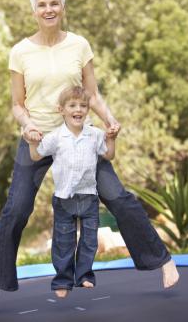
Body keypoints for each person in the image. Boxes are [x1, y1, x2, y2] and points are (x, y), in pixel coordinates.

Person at [0, 0, 179, 311]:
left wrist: (110, 119)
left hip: (79, 137)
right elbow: (18, 104)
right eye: (42, 5)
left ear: (62, 8)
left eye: (54, 3)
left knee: (117, 196)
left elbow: (93, 95)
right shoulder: (20, 51)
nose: (49, 10)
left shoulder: (78, 45)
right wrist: (27, 125)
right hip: (39, 137)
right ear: (34, 10)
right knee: (15, 210)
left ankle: (162, 260)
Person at [29, 86, 116, 298]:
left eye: (83, 105)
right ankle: (63, 280)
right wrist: (32, 142)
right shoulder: (56, 137)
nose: (79, 109)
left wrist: (112, 138)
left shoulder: (94, 135)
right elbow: (36, 156)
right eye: (73, 105)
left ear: (88, 110)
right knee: (63, 240)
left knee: (89, 240)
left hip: (88, 197)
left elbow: (109, 155)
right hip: (63, 199)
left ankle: (84, 275)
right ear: (62, 110)